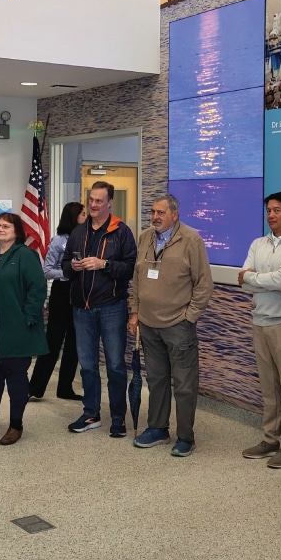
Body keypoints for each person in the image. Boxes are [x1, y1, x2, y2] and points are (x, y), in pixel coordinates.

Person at [129, 194, 213, 457]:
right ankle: (158, 427)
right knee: (156, 379)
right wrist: (135, 312)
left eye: (161, 213)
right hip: (148, 324)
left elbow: (203, 284)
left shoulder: (190, 239)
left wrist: (190, 317)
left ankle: (186, 436)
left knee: (185, 383)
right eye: (153, 212)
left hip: (178, 324)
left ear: (175, 215)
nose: (155, 216)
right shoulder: (145, 237)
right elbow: (138, 279)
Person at [61, 181, 137, 437]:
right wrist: (74, 266)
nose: (93, 205)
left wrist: (104, 264)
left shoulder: (121, 232)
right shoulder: (78, 232)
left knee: (115, 365)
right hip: (81, 309)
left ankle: (118, 417)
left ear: (109, 203)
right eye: (90, 200)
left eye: (99, 201)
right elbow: (64, 266)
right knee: (87, 365)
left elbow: (129, 268)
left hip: (111, 307)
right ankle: (90, 413)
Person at [0, 213, 48, 445]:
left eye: (6, 226)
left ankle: (16, 424)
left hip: (15, 325)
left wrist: (29, 317)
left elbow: (37, 288)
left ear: (17, 231)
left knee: (15, 375)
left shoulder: (25, 255)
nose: (0, 229)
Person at [239, 191, 281, 469]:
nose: (271, 215)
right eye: (269, 210)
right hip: (259, 320)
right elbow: (244, 280)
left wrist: (256, 279)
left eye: (277, 210)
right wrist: (260, 280)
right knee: (268, 386)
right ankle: (270, 438)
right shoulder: (257, 243)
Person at [29, 202, 85, 401]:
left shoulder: (85, 238)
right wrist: (68, 272)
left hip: (80, 293)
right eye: (82, 214)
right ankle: (34, 388)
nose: (86, 216)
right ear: (73, 216)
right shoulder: (59, 241)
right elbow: (46, 271)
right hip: (62, 293)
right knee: (53, 342)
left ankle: (65, 388)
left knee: (74, 343)